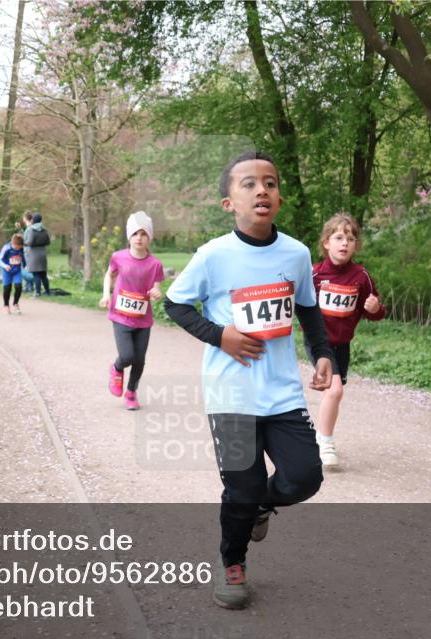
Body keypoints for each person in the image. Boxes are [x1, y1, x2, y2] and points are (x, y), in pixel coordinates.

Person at [164, 151, 336, 610]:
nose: (262, 190)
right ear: (229, 204)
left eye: (271, 183)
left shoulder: (297, 253)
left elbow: (309, 310)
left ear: (279, 197)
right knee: (239, 487)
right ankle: (232, 562)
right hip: (230, 394)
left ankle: (259, 505)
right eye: (249, 184)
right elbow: (175, 304)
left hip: (281, 393)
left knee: (304, 477)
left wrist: (322, 354)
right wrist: (221, 336)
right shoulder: (213, 256)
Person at [308, 213, 386, 469]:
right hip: (319, 343)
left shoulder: (361, 277)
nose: (344, 243)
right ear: (326, 243)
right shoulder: (314, 275)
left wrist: (374, 309)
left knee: (333, 393)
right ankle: (325, 443)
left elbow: (375, 312)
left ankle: (319, 436)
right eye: (338, 237)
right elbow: (299, 307)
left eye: (350, 239)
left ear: (356, 245)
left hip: (343, 345)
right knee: (335, 389)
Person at [98, 211, 164, 411]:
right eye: (135, 234)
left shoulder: (155, 264)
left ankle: (131, 392)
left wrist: (156, 292)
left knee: (139, 360)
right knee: (126, 356)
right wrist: (106, 294)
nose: (139, 238)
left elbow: (157, 285)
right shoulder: (118, 257)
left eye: (144, 234)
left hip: (143, 319)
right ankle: (117, 368)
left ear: (149, 238)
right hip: (121, 316)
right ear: (129, 237)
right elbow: (109, 275)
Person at [24, 212, 52, 296]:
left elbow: (30, 242)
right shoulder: (44, 229)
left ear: (33, 220)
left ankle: (38, 292)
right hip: (43, 252)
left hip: (34, 253)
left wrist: (24, 242)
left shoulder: (32, 229)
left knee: (36, 274)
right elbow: (48, 242)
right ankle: (47, 291)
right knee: (43, 274)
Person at [0, 233, 26, 315]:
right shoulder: (6, 248)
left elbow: (23, 257)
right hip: (7, 271)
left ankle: (15, 303)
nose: (17, 249)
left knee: (18, 286)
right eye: (16, 247)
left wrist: (25, 265)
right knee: (7, 288)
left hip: (17, 271)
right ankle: (6, 305)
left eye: (19, 247)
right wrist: (5, 265)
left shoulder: (21, 248)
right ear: (12, 243)